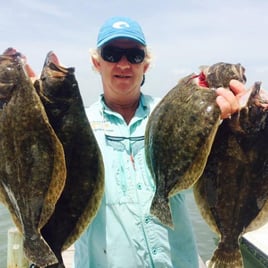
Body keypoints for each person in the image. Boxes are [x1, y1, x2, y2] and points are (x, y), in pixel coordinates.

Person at [74, 16, 246, 268]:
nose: (123, 64)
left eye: (134, 55)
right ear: (96, 62)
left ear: (146, 64)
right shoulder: (76, 126)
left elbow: (221, 168)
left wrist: (236, 123)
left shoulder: (176, 112)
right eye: (112, 54)